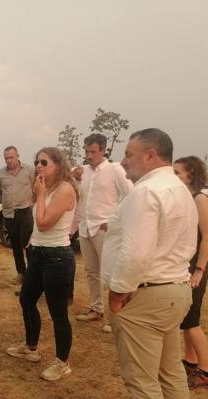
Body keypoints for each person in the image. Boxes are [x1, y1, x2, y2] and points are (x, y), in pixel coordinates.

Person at [102, 129, 197, 399]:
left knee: (143, 382)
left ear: (150, 155)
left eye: (129, 153)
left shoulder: (146, 192)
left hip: (145, 294)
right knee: (170, 372)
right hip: (175, 291)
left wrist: (117, 292)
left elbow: (136, 253)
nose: (123, 160)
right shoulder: (180, 190)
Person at [6, 147, 78, 382]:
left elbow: (45, 222)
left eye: (44, 162)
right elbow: (38, 226)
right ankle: (31, 348)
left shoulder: (65, 189)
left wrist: (39, 195)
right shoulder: (45, 187)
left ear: (58, 164)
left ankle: (62, 362)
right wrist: (31, 242)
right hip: (38, 254)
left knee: (58, 313)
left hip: (57, 257)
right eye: (37, 161)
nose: (39, 165)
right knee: (26, 300)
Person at [75, 134, 132, 333]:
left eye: (93, 152)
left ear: (103, 150)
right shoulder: (84, 172)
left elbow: (130, 195)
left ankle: (114, 316)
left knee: (110, 273)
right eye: (87, 151)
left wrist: (115, 220)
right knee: (92, 272)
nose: (89, 155)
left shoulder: (115, 170)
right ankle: (96, 308)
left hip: (104, 228)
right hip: (85, 227)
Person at [173, 156, 208, 390]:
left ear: (191, 175)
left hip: (195, 267)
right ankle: (190, 362)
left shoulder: (200, 199)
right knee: (185, 318)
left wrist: (199, 270)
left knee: (192, 321)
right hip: (183, 265)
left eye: (177, 172)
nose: (173, 176)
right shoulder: (184, 198)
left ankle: (206, 372)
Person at [0, 146, 34, 287]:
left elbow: (37, 188)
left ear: (18, 156)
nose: (9, 160)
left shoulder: (29, 170)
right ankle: (21, 273)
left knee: (29, 245)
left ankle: (32, 275)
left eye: (11, 157)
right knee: (15, 246)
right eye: (6, 158)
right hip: (9, 215)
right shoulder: (0, 174)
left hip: (25, 212)